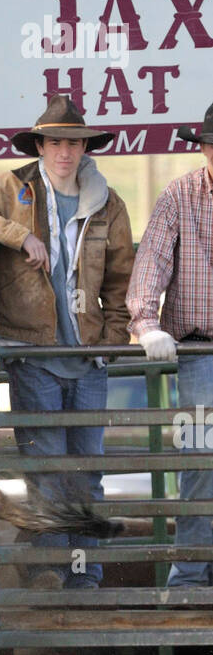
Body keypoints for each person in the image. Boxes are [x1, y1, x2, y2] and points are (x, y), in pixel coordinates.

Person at [0, 95, 134, 590]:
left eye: (72, 142)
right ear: (41, 146)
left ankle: (82, 575)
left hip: (86, 358)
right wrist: (17, 236)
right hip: (35, 353)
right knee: (47, 471)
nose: (64, 151)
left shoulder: (108, 204)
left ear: (84, 146)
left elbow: (119, 279)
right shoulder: (12, 188)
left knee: (86, 473)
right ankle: (54, 569)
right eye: (54, 142)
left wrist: (110, 339)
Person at [128, 101, 213, 588]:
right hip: (199, 349)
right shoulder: (180, 196)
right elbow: (151, 262)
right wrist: (146, 322)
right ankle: (190, 578)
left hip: (198, 352)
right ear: (203, 148)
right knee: (200, 464)